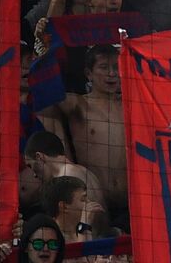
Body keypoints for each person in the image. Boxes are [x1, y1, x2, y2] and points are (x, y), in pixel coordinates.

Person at [39, 46, 127, 219]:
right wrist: (43, 52)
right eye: (104, 67)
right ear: (89, 73)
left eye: (117, 67)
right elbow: (44, 96)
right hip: (94, 201)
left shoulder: (132, 106)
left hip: (132, 201)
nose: (112, 73)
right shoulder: (78, 104)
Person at [22, 131, 106, 214]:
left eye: (30, 166)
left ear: (39, 157)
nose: (34, 175)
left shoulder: (65, 180)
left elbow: (72, 224)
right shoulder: (85, 171)